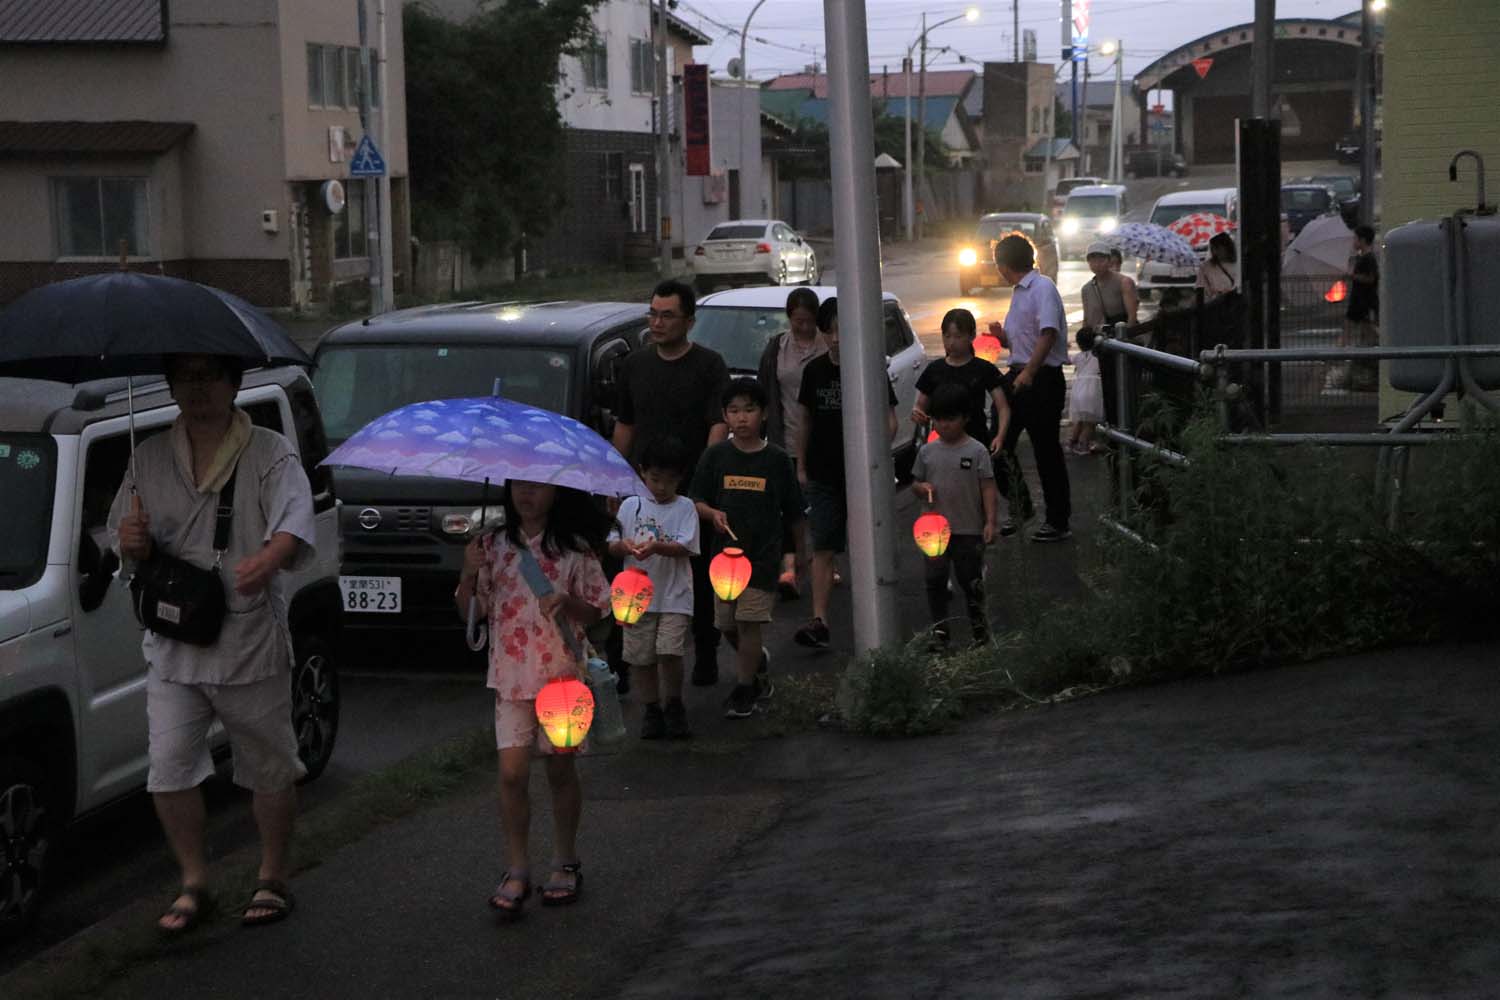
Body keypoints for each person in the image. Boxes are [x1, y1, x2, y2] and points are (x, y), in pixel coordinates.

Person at [108, 353, 316, 934]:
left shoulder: (269, 451)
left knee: (268, 766)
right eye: (186, 377)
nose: (198, 389)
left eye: (210, 376)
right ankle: (195, 881)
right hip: (175, 641)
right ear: (171, 385)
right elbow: (121, 537)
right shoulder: (147, 455)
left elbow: (295, 519)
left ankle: (273, 874)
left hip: (248, 637)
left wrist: (270, 556)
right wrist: (130, 539)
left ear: (233, 382)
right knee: (169, 767)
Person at [456, 480, 613, 918]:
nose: (527, 495)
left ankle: (565, 859)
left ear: (556, 493)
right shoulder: (490, 545)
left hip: (562, 676)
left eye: (537, 487)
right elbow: (472, 611)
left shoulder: (576, 549)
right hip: (510, 676)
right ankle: (517, 866)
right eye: (519, 487)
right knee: (512, 773)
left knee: (561, 770)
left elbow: (601, 608)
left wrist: (569, 603)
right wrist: (468, 573)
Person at [612, 279, 730, 687]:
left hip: (690, 484)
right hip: (643, 485)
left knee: (694, 572)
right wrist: (615, 477)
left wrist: (703, 477)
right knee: (634, 566)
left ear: (689, 321)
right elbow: (625, 424)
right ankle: (628, 660)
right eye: (653, 313)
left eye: (667, 315)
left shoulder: (709, 365)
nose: (657, 322)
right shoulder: (635, 365)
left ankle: (705, 651)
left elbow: (718, 422)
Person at [690, 378, 807, 719]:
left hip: (762, 558)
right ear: (725, 416)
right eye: (734, 411)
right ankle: (758, 665)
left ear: (765, 414)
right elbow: (696, 499)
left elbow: (795, 513)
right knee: (726, 624)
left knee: (748, 622)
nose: (742, 419)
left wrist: (800, 555)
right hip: (723, 562)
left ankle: (745, 690)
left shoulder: (777, 460)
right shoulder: (715, 457)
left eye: (749, 410)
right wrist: (711, 513)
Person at [791, 297, 898, 649]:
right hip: (823, 473)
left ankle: (877, 614)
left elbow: (890, 420)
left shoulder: (869, 369)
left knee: (867, 544)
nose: (836, 338)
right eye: (830, 331)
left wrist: (876, 455)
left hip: (864, 474)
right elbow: (804, 421)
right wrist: (802, 466)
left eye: (842, 331)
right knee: (822, 545)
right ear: (822, 333)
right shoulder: (814, 371)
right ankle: (819, 620)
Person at [606, 437, 700, 739]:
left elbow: (686, 546)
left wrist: (658, 547)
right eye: (655, 479)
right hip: (634, 596)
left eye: (669, 481)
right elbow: (612, 545)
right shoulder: (630, 505)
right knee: (640, 656)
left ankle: (674, 703)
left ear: (680, 479)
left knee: (670, 651)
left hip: (674, 594)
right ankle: (651, 708)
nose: (660, 487)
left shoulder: (685, 507)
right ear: (642, 473)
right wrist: (625, 545)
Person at [991, 233, 1072, 542]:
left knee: (1046, 451)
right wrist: (1002, 338)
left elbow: (1048, 333)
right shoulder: (1019, 292)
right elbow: (1024, 341)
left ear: (1003, 264)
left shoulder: (1043, 287)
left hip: (1042, 380)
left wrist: (1030, 372)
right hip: (1018, 374)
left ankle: (1058, 521)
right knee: (997, 444)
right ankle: (1021, 505)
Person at [910, 383, 998, 646]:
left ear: (965, 418)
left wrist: (991, 521)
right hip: (933, 529)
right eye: (938, 419)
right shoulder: (926, 452)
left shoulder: (977, 450)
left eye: (951, 419)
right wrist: (921, 488)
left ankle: (980, 632)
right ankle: (940, 633)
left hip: (968, 528)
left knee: (970, 581)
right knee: (934, 581)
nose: (944, 425)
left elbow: (987, 487)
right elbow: (914, 483)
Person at [756, 286, 826, 600]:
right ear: (789, 319)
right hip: (784, 437)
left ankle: (823, 559)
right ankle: (790, 566)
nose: (804, 327)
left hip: (820, 440)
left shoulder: (829, 345)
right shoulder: (777, 348)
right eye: (798, 321)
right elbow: (764, 390)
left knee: (820, 504)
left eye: (809, 321)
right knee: (786, 506)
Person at [912, 307, 1010, 463]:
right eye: (947, 336)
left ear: (971, 336)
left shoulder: (983, 368)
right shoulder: (934, 370)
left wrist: (1000, 436)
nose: (951, 342)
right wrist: (918, 414)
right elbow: (920, 406)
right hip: (941, 446)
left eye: (958, 336)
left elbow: (1003, 406)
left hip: (976, 440)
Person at [1344, 224, 1380, 391]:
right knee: (1360, 331)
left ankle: (1341, 357)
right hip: (1360, 301)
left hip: (1364, 302)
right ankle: (1345, 357)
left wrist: (1353, 275)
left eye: (1355, 238)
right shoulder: (1362, 257)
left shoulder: (1368, 258)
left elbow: (1371, 279)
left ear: (1363, 240)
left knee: (1367, 332)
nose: (1353, 241)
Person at [1082, 241, 1139, 333]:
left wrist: (1125, 337)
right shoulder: (1086, 289)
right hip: (1098, 339)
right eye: (1093, 261)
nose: (1097, 265)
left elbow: (1132, 317)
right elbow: (1087, 319)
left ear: (1109, 261)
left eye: (1101, 260)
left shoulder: (1124, 282)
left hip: (1120, 338)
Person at [1067, 329, 1106, 455]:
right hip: (1092, 389)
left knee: (1080, 419)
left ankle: (1072, 441)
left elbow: (1067, 360)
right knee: (1090, 422)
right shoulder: (1098, 355)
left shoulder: (1078, 356)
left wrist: (1064, 347)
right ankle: (1083, 445)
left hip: (1078, 389)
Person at [1197, 232, 1238, 302]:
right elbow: (1202, 290)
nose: (1215, 252)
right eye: (1213, 248)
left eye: (1218, 248)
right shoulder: (1206, 267)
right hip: (1216, 305)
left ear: (1227, 247)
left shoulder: (1237, 264)